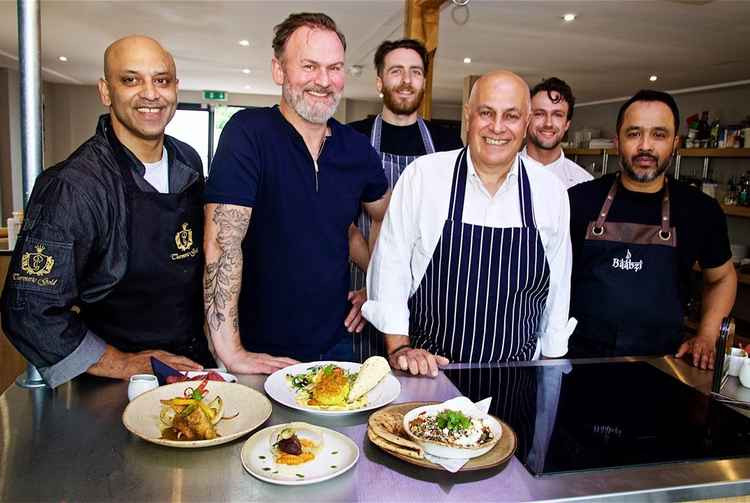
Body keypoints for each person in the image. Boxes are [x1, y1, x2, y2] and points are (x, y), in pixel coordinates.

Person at [1, 36, 213, 388]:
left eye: (161, 80)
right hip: (114, 383)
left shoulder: (187, 161)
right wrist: (124, 364)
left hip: (190, 364)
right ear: (105, 91)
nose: (150, 93)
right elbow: (29, 311)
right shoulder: (74, 186)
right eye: (131, 80)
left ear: (176, 88)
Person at [203, 13, 389, 373]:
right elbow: (221, 244)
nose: (324, 80)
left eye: (334, 68)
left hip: (337, 346)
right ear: (279, 71)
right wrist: (231, 351)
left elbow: (387, 217)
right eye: (309, 66)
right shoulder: (248, 133)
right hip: (259, 351)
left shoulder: (356, 149)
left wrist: (377, 286)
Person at [362, 70, 573, 377]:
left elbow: (557, 292)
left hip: (516, 380)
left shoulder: (549, 191)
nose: (497, 127)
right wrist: (400, 348)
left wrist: (551, 376)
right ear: (468, 116)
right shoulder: (424, 177)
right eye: (486, 113)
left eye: (511, 116)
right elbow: (389, 267)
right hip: (431, 374)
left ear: (526, 121)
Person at [567, 90, 736, 368]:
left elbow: (722, 278)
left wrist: (706, 334)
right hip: (579, 358)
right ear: (617, 142)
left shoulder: (700, 210)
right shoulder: (578, 201)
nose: (645, 146)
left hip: (663, 362)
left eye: (659, 134)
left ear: (675, 143)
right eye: (634, 134)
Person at [347, 38, 463, 361]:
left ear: (424, 81)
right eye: (396, 71)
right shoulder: (352, 137)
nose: (406, 80)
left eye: (415, 72)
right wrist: (379, 282)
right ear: (380, 81)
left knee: (416, 384)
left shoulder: (447, 143)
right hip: (360, 284)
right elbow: (340, 221)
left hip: (428, 288)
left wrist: (398, 284)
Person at [520, 77, 593, 188]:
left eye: (557, 115)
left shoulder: (584, 182)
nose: (548, 123)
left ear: (567, 124)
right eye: (539, 113)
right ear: (527, 119)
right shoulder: (500, 173)